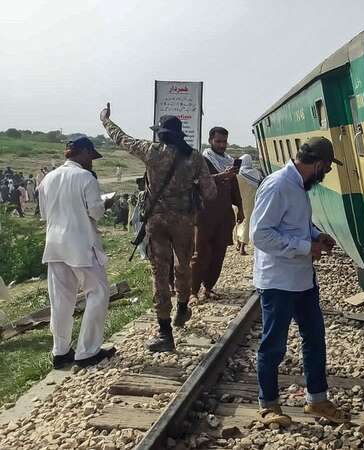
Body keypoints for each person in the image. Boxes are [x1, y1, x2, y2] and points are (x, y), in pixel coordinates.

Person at [101, 103, 217, 352]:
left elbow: (122, 138)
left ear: (160, 134)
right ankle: (183, 307)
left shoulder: (150, 151)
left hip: (156, 222)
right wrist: (192, 185)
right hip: (184, 222)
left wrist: (105, 120)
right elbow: (210, 193)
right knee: (183, 266)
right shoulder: (195, 157)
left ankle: (165, 333)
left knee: (160, 274)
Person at [251, 136, 349, 427]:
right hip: (278, 280)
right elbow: (260, 235)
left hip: (302, 278)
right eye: (328, 168)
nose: (327, 174)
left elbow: (297, 225)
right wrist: (307, 247)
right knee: (274, 345)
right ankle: (268, 405)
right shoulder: (278, 185)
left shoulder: (298, 186)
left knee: (315, 338)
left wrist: (316, 234)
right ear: (317, 164)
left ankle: (317, 400)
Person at [38, 137, 116, 368]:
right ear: (81, 153)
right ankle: (87, 351)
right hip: (81, 244)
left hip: (54, 245)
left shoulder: (48, 178)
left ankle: (60, 352)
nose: (92, 162)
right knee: (98, 292)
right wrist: (106, 204)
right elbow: (96, 213)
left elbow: (43, 213)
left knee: (61, 300)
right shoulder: (85, 177)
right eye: (90, 157)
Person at [190, 127, 243, 301]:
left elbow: (234, 187)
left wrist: (240, 208)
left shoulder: (228, 161)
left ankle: (209, 288)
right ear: (211, 140)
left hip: (224, 215)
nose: (221, 145)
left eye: (224, 142)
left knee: (219, 253)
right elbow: (195, 182)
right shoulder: (202, 160)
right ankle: (192, 291)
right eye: (218, 141)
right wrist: (221, 176)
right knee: (200, 254)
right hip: (204, 215)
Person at [235, 154, 263, 255]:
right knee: (247, 222)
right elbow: (261, 183)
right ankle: (243, 247)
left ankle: (238, 243)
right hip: (250, 202)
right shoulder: (255, 173)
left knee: (239, 221)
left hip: (238, 201)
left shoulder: (238, 173)